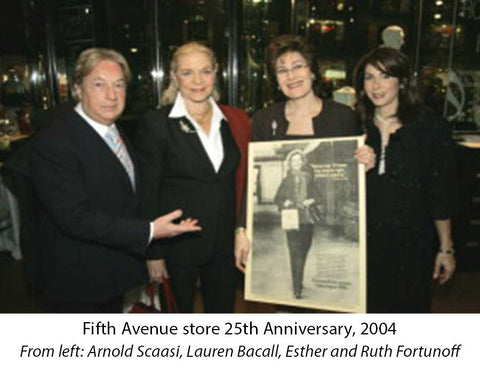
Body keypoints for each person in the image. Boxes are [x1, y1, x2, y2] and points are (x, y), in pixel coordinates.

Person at [29, 48, 201, 313]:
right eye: (99, 85)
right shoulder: (55, 141)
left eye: (118, 85)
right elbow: (75, 218)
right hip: (77, 285)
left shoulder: (113, 129)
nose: (111, 95)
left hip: (109, 277)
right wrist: (151, 232)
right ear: (77, 88)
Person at [235, 34, 375, 272]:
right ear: (275, 79)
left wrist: (365, 162)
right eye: (282, 70)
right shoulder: (263, 119)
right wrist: (242, 229)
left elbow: (351, 177)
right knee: (294, 260)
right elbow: (251, 182)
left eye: (298, 66)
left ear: (312, 71)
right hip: (290, 215)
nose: (291, 76)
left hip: (322, 213)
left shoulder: (342, 117)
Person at [134, 42, 250, 313]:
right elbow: (147, 191)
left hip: (224, 246)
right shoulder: (157, 123)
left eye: (205, 71)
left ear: (216, 73)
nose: (198, 81)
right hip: (176, 246)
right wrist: (153, 253)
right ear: (174, 77)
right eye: (187, 73)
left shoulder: (234, 120)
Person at [353, 47, 457, 313]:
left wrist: (446, 248)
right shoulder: (354, 126)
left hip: (413, 246)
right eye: (369, 77)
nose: (376, 86)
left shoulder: (430, 127)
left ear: (401, 82)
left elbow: (440, 192)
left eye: (385, 76)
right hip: (365, 246)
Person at [273, 149, 319, 299]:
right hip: (292, 219)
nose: (297, 163)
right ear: (290, 163)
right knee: (295, 253)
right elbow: (277, 199)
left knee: (304, 250)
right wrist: (284, 202)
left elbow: (318, 195)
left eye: (299, 160)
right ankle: (297, 287)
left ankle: (299, 279)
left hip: (307, 220)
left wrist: (311, 200)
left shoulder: (309, 177)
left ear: (302, 162)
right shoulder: (286, 180)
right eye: (294, 161)